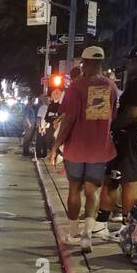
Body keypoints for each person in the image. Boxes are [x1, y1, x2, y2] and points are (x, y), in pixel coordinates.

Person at [49, 46, 118, 254]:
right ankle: (88, 234)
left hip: (77, 148)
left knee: (74, 190)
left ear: (85, 63)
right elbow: (112, 117)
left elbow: (68, 119)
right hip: (100, 148)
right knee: (92, 192)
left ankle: (73, 233)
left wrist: (55, 146)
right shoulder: (112, 87)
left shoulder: (76, 88)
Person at [99, 44, 137, 233]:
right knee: (123, 178)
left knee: (123, 179)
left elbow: (131, 114)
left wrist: (109, 128)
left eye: (132, 61)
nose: (129, 65)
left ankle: (124, 226)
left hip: (130, 137)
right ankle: (115, 223)